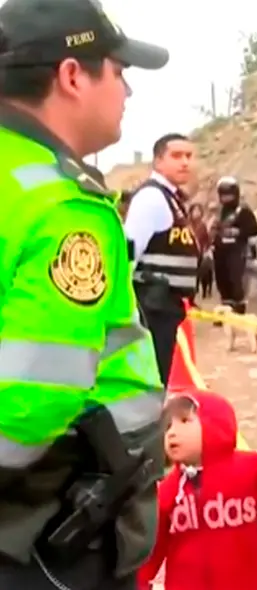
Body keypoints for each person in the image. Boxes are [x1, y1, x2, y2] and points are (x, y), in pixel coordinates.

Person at [0, 0, 169, 588]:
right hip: (46, 532)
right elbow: (29, 404)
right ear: (73, 76)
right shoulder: (64, 203)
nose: (128, 90)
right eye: (119, 71)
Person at [137, 392, 257, 590]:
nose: (172, 433)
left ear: (213, 424)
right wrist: (137, 583)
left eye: (184, 421)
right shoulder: (167, 490)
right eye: (167, 426)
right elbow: (151, 550)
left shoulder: (251, 470)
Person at [125, 133, 201, 385]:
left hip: (165, 306)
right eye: (176, 156)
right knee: (152, 380)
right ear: (158, 161)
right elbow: (128, 253)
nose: (185, 163)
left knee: (160, 378)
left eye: (189, 156)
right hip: (152, 305)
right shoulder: (152, 198)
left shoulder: (171, 198)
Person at [212, 177, 257, 314]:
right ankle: (226, 312)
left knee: (236, 283)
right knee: (222, 282)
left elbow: (254, 229)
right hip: (220, 252)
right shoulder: (220, 211)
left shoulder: (243, 210)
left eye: (229, 195)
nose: (226, 199)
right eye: (223, 195)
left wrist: (238, 231)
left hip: (236, 252)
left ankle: (239, 312)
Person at [188, 203, 214, 300]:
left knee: (200, 271)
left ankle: (199, 290)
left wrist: (208, 248)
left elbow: (206, 239)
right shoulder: (187, 224)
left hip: (199, 252)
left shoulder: (202, 225)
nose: (196, 213)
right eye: (195, 211)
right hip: (188, 251)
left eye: (198, 211)